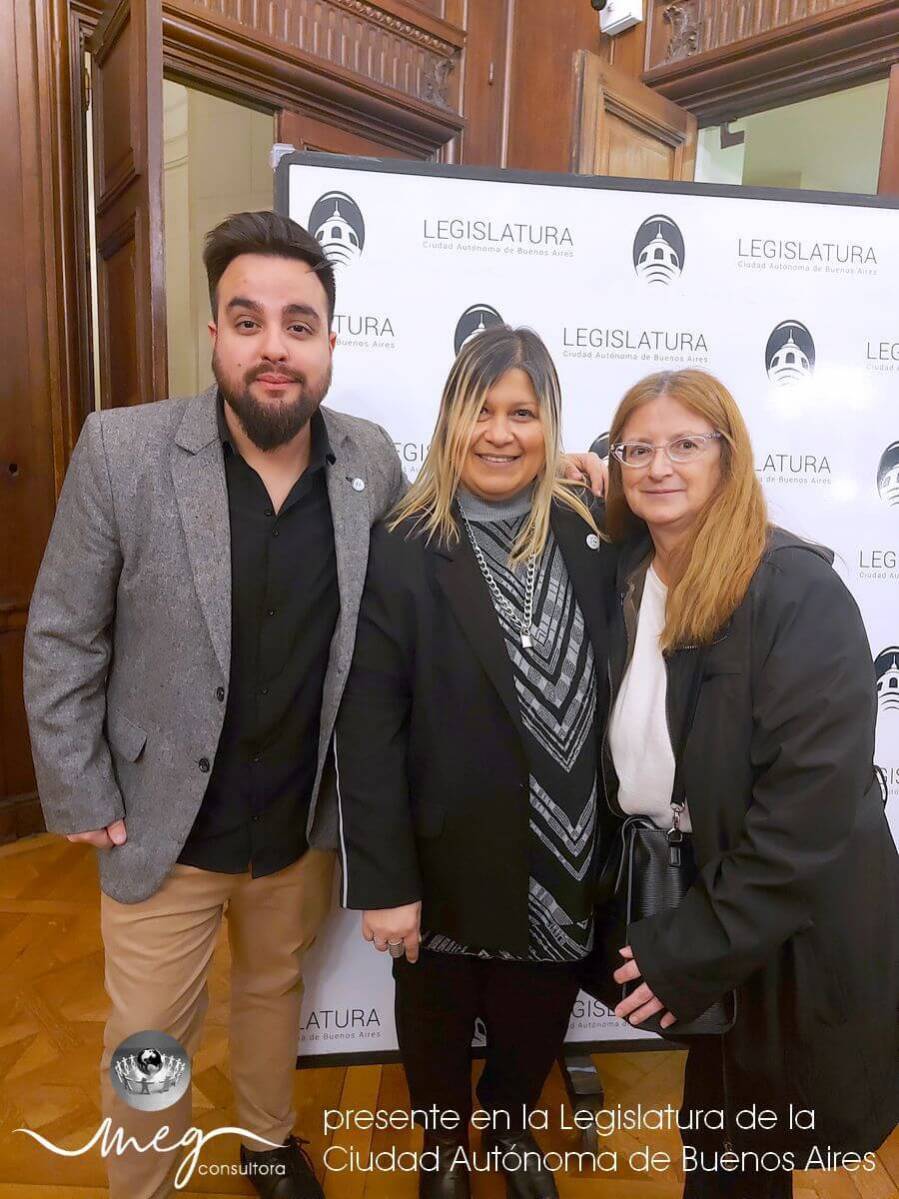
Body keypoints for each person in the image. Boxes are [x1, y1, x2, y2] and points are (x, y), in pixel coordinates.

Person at [23, 211, 606, 1199]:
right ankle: (139, 1181)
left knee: (270, 995)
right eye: (246, 320)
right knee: (147, 1035)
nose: (273, 346)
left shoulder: (368, 461)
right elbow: (62, 632)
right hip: (163, 821)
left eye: (299, 323)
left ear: (331, 340)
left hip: (299, 822)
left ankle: (264, 1138)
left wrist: (561, 471)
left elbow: (460, 508)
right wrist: (78, 787)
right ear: (213, 332)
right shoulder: (122, 452)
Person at [596, 368, 899, 1197]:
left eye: (685, 445)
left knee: (755, 1137)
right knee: (722, 1134)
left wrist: (686, 947)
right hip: (715, 906)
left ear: (729, 459)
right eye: (637, 448)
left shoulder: (797, 590)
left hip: (785, 925)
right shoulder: (630, 572)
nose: (659, 466)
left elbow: (807, 818)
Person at [334, 326, 613, 1199]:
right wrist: (385, 880)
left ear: (549, 425)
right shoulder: (402, 547)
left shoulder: (591, 532)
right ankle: (445, 1142)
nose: (500, 433)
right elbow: (367, 726)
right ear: (449, 421)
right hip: (444, 857)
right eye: (480, 411)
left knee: (536, 1016)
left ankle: (509, 1120)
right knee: (436, 1018)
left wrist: (601, 464)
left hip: (567, 856)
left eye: (522, 414)